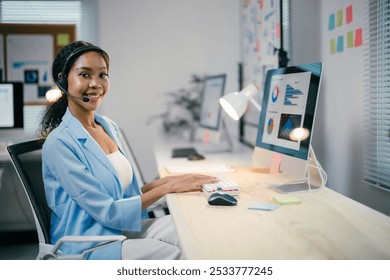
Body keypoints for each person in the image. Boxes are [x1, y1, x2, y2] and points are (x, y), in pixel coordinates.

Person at [39, 40, 217, 260]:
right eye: (85, 75)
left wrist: (180, 182)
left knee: (191, 231)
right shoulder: (60, 143)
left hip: (121, 230)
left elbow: (125, 193)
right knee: (177, 255)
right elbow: (108, 211)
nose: (96, 83)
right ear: (63, 81)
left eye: (102, 75)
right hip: (89, 243)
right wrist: (167, 187)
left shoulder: (108, 127)